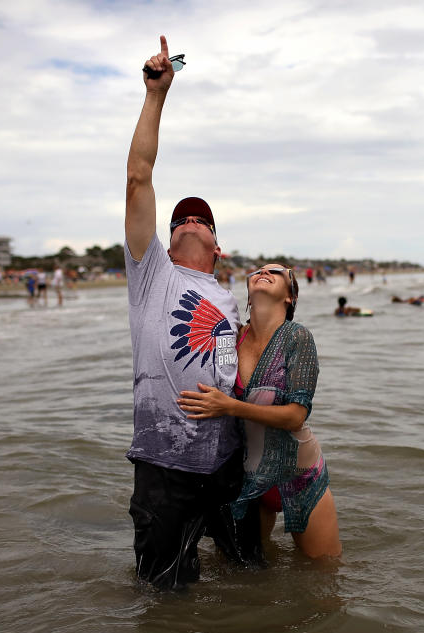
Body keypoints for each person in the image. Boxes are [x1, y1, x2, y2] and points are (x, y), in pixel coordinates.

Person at [123, 35, 246, 590]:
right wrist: (156, 95)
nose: (191, 219)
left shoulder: (229, 298)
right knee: (162, 598)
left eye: (202, 219)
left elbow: (235, 371)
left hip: (224, 466)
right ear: (168, 240)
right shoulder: (152, 272)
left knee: (251, 585)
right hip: (164, 465)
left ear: (217, 246)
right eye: (181, 218)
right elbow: (139, 176)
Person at [178, 264, 341, 559]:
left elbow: (295, 416)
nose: (264, 272)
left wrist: (230, 407)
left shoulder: (298, 337)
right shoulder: (233, 339)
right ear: (249, 296)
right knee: (243, 570)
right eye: (258, 271)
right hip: (249, 482)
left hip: (301, 474)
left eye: (277, 272)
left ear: (290, 297)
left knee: (324, 576)